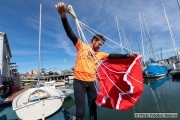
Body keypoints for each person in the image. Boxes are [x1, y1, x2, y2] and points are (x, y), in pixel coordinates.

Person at [55, 2, 138, 120]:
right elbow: (70, 34)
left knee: (93, 108)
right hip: (79, 81)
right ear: (93, 40)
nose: (100, 46)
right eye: (99, 43)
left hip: (92, 82)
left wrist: (129, 55)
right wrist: (63, 17)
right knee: (80, 111)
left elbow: (114, 56)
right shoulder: (81, 46)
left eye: (102, 44)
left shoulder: (100, 54)